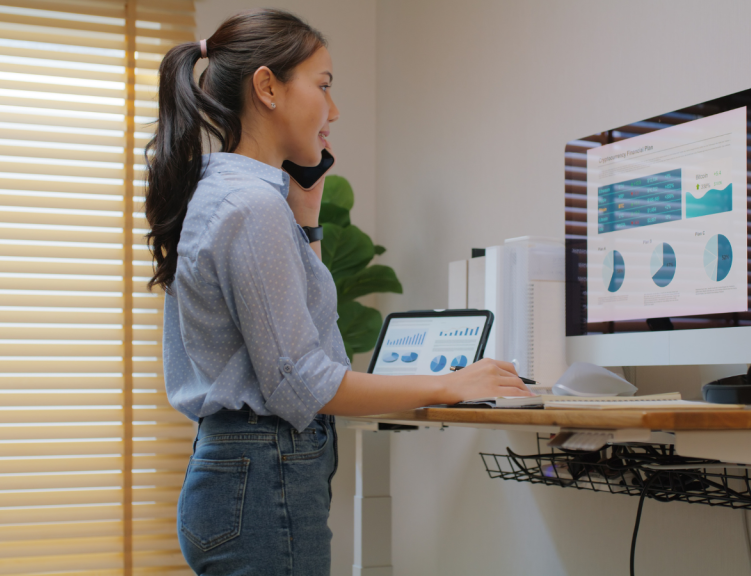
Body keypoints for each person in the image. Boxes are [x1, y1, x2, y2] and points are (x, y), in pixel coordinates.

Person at [144, 9, 530, 575]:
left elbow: (299, 340)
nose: (335, 110)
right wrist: (452, 383)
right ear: (268, 87)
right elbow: (304, 380)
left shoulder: (223, 192)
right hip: (263, 476)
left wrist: (306, 218)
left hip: (237, 476)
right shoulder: (251, 208)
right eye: (323, 86)